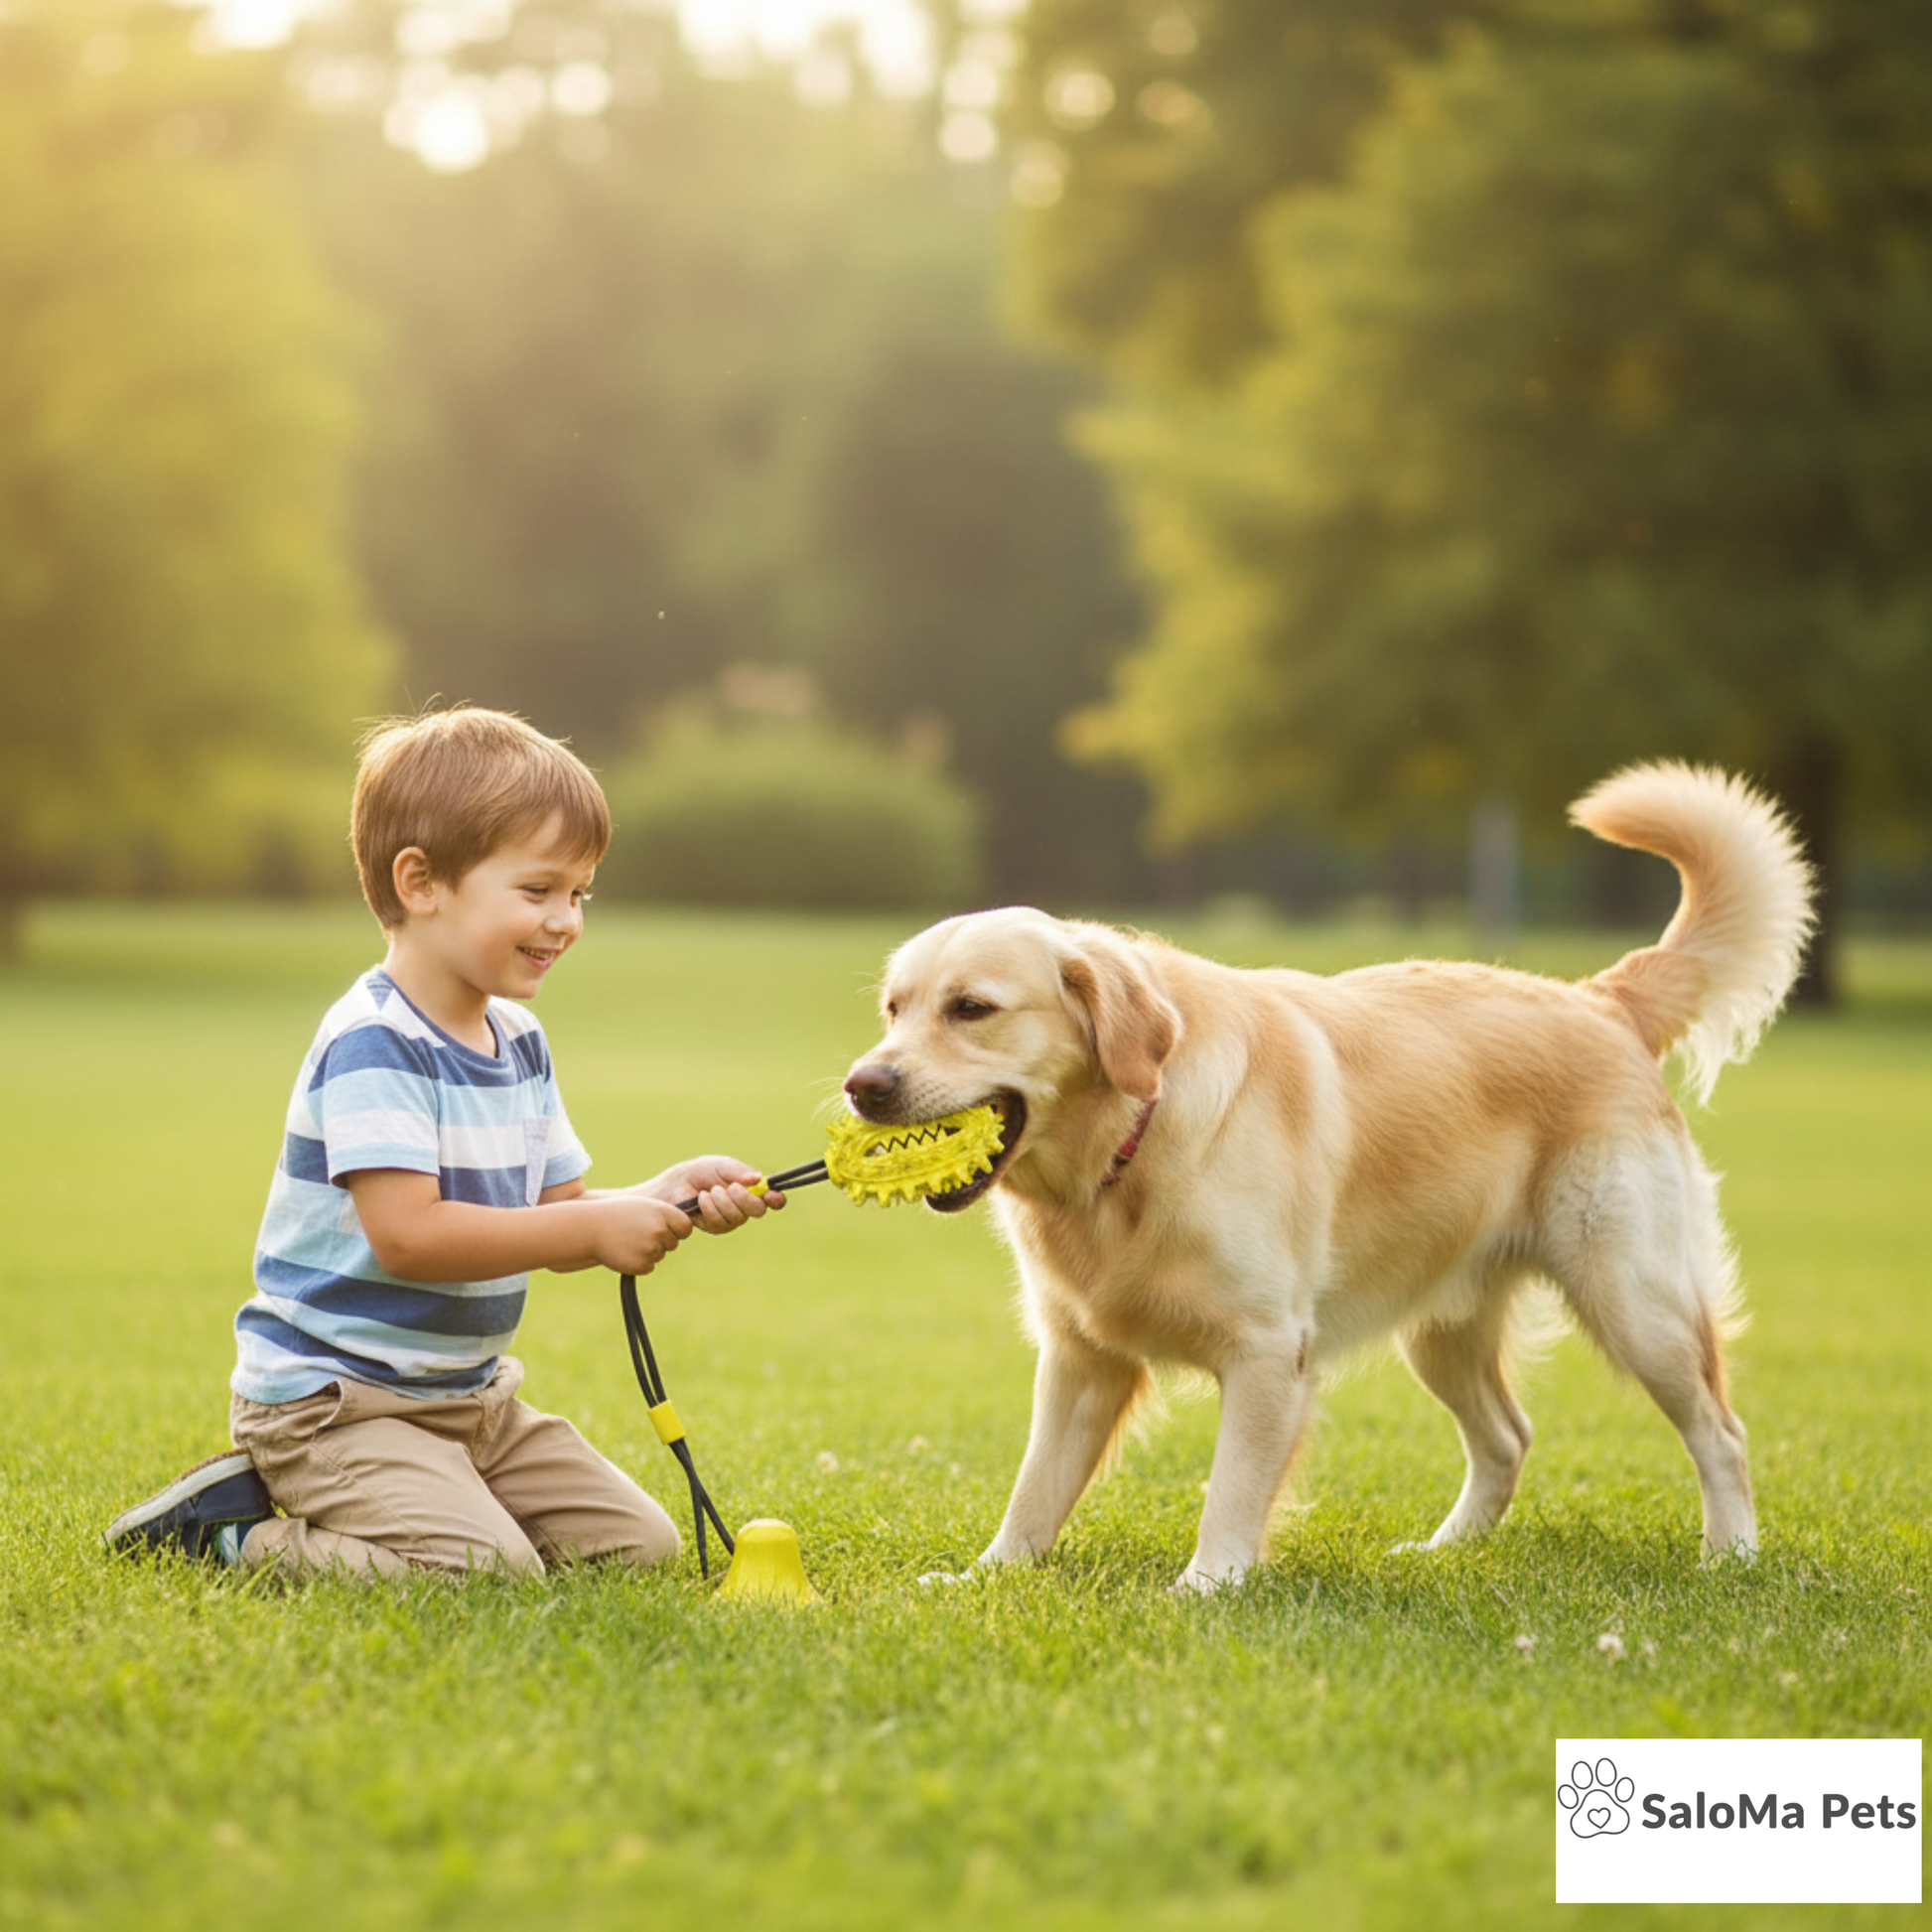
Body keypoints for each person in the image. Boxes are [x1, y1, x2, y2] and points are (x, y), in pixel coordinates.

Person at [103, 706, 781, 1578]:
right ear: (421, 882)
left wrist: (662, 1195)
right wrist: (590, 1232)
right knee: (487, 1572)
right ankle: (227, 1537)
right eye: (537, 891)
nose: (566, 920)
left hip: (469, 1405)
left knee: (637, 1547)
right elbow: (411, 1235)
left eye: (579, 893)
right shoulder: (374, 1041)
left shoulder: (519, 1043)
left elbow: (558, 1212)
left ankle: (437, 1490)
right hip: (336, 1407)